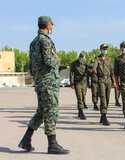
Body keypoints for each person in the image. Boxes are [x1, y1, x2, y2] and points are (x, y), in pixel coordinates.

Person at [18, 16, 69, 154]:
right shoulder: (45, 40)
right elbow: (49, 61)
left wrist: (37, 81)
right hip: (48, 83)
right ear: (47, 25)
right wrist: (56, 60)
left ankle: (26, 140)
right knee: (51, 111)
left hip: (40, 82)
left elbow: (31, 65)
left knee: (41, 112)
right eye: (51, 25)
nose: (52, 27)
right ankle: (52, 144)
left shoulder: (33, 42)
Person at [92, 44, 116, 125]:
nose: (105, 50)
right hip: (101, 79)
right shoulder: (97, 59)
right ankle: (104, 116)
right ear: (100, 49)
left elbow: (112, 72)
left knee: (107, 98)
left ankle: (102, 116)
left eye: (106, 48)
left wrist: (114, 82)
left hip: (108, 80)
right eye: (103, 48)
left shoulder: (109, 60)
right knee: (103, 97)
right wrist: (98, 75)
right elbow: (94, 69)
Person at [70, 53, 89, 120]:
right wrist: (72, 83)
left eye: (83, 58)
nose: (82, 60)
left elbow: (89, 71)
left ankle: (79, 111)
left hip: (84, 82)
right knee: (79, 97)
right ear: (79, 57)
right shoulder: (74, 63)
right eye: (81, 58)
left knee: (83, 96)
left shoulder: (85, 63)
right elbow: (71, 73)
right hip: (77, 82)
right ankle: (81, 111)